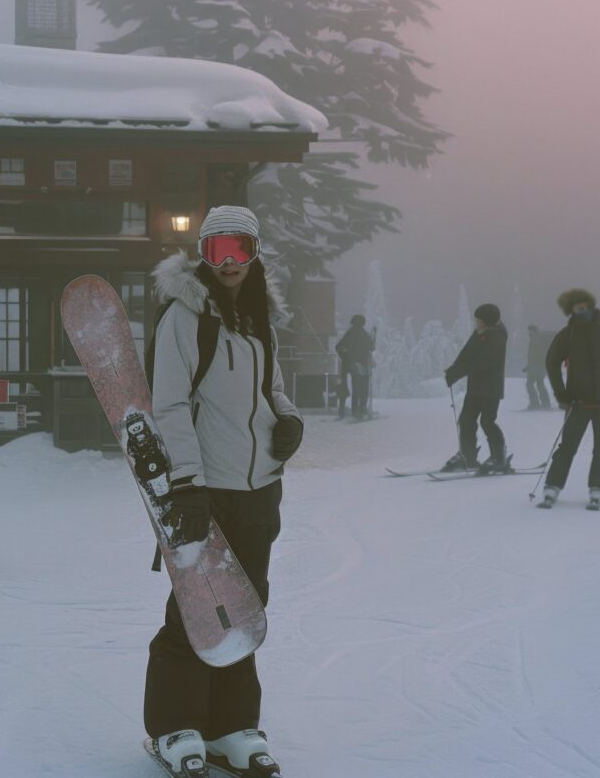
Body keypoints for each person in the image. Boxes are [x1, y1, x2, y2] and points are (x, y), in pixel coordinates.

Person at [143, 206, 303, 778]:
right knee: (195, 608)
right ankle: (175, 724)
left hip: (259, 488)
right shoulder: (184, 316)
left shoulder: (258, 319)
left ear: (255, 253)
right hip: (205, 489)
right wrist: (186, 483)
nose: (229, 262)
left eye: (239, 249)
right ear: (203, 255)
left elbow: (272, 389)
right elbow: (168, 404)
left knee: (246, 610)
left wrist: (288, 418)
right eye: (217, 251)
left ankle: (230, 725)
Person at [539, 289, 600, 510]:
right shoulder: (567, 334)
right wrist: (561, 394)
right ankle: (552, 487)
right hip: (577, 402)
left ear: (591, 306)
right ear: (570, 310)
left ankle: (597, 488)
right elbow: (551, 362)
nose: (583, 310)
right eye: (578, 308)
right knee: (567, 447)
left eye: (585, 306)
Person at [442, 303, 508, 473]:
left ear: (488, 322)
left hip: (491, 389)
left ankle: (498, 457)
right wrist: (453, 371)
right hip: (476, 387)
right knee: (466, 420)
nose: (476, 324)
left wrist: (459, 372)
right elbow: (466, 354)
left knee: (487, 422)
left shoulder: (497, 337)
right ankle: (467, 456)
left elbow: (483, 362)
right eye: (476, 320)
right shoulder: (480, 333)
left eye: (479, 321)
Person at [334, 315, 375, 419]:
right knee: (362, 387)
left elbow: (338, 347)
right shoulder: (363, 333)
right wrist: (373, 337)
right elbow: (372, 347)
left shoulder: (350, 333)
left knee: (352, 387)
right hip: (360, 364)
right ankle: (360, 409)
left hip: (349, 364)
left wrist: (345, 356)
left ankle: (349, 410)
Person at [523, 324, 551, 409]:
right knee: (539, 384)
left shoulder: (536, 340)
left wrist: (531, 366)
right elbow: (532, 355)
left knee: (530, 384)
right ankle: (545, 403)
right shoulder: (534, 339)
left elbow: (538, 355)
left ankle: (535, 403)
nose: (528, 332)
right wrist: (528, 366)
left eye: (529, 330)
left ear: (533, 331)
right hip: (537, 367)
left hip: (537, 367)